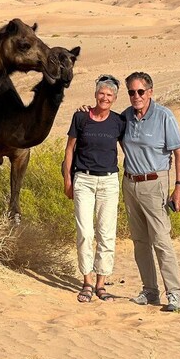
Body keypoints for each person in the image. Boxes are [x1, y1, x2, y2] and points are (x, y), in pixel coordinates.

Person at [120, 71, 180, 312]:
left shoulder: (164, 116)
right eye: (131, 92)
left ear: (149, 92)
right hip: (129, 183)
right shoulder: (126, 117)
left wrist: (179, 187)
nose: (135, 96)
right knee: (140, 241)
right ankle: (150, 291)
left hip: (154, 183)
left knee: (160, 239)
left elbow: (179, 152)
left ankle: (175, 294)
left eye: (140, 91)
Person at [63, 74, 125, 303]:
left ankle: (101, 283)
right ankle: (87, 282)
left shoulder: (118, 122)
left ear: (115, 98)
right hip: (84, 181)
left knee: (107, 234)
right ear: (95, 94)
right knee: (85, 233)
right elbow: (70, 149)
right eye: (101, 93)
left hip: (109, 182)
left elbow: (130, 147)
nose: (105, 98)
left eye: (109, 95)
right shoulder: (80, 117)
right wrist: (67, 179)